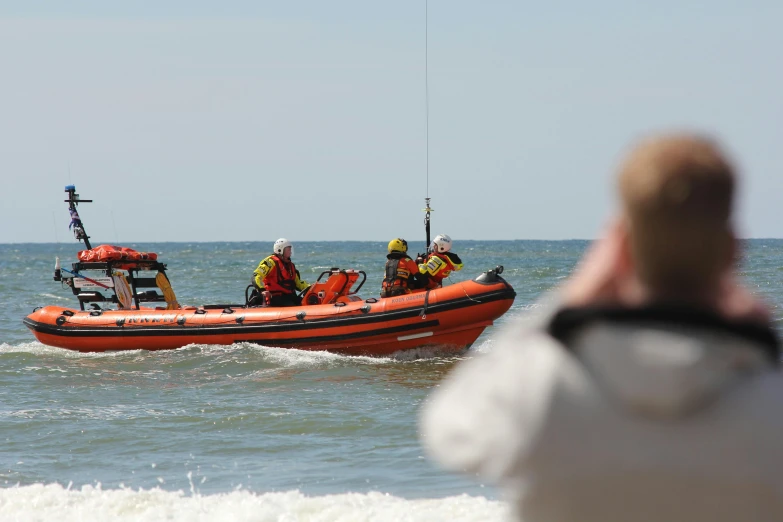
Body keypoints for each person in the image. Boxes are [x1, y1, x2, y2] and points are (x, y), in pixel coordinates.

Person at [419, 134, 783, 521]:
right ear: (733, 251)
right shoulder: (770, 401)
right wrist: (763, 340)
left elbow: (445, 431)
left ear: (619, 248)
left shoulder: (537, 386)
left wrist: (569, 300)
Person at [251, 238, 309, 307]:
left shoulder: (291, 266)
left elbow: (297, 283)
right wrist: (262, 290)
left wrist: (310, 288)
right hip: (275, 297)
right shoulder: (270, 262)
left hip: (289, 296)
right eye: (288, 250)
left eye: (290, 249)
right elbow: (257, 276)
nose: (290, 252)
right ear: (280, 250)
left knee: (306, 302)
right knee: (291, 305)